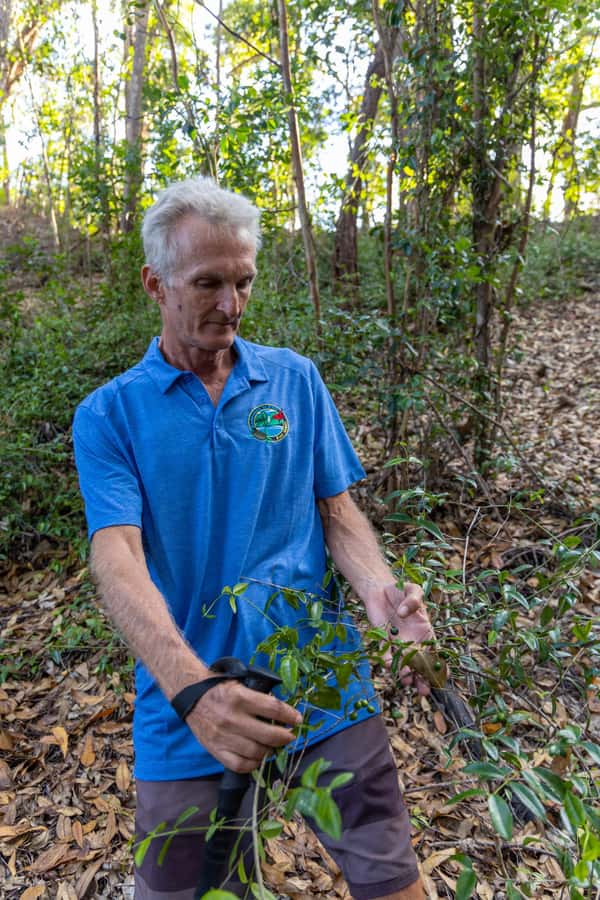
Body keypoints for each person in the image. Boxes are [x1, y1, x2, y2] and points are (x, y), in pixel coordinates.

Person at [73, 177, 433, 900]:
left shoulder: (293, 382)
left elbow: (336, 511)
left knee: (391, 878)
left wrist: (379, 592)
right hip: (191, 704)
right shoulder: (110, 415)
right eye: (208, 283)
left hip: (324, 682)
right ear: (156, 284)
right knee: (187, 888)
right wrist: (192, 690)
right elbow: (118, 554)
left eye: (243, 282)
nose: (231, 304)